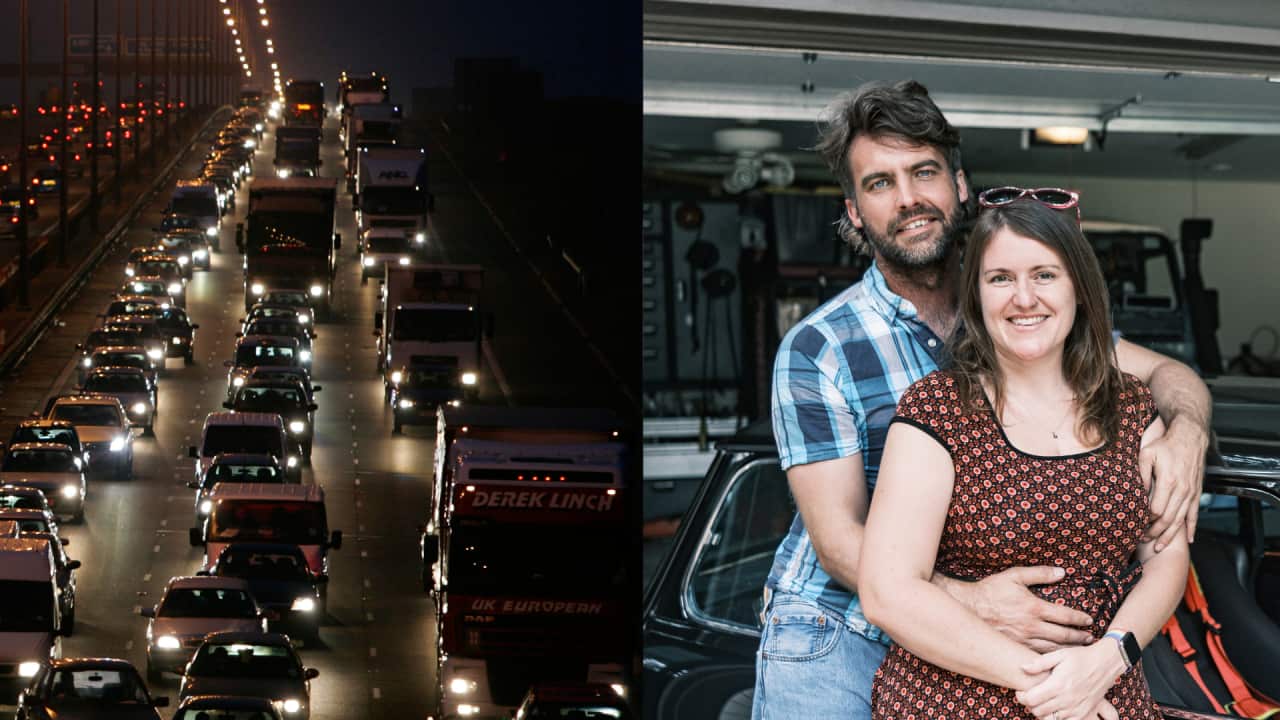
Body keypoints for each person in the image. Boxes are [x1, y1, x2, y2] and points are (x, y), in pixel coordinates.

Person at [755, 80, 1210, 720]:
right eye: (880, 183)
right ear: (854, 212)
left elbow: (1169, 373)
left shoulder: (1012, 312)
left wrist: (1186, 431)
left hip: (992, 648)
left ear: (959, 185)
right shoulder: (819, 348)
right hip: (839, 629)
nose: (909, 198)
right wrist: (969, 600)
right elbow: (837, 542)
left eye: (924, 172)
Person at [860, 193, 1188, 719]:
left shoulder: (1129, 405)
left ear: (1078, 288)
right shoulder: (937, 410)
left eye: (1044, 275)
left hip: (1105, 691)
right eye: (1000, 278)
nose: (1023, 297)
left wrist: (1109, 658)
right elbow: (888, 591)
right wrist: (1052, 685)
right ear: (977, 296)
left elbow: (1166, 559)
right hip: (961, 699)